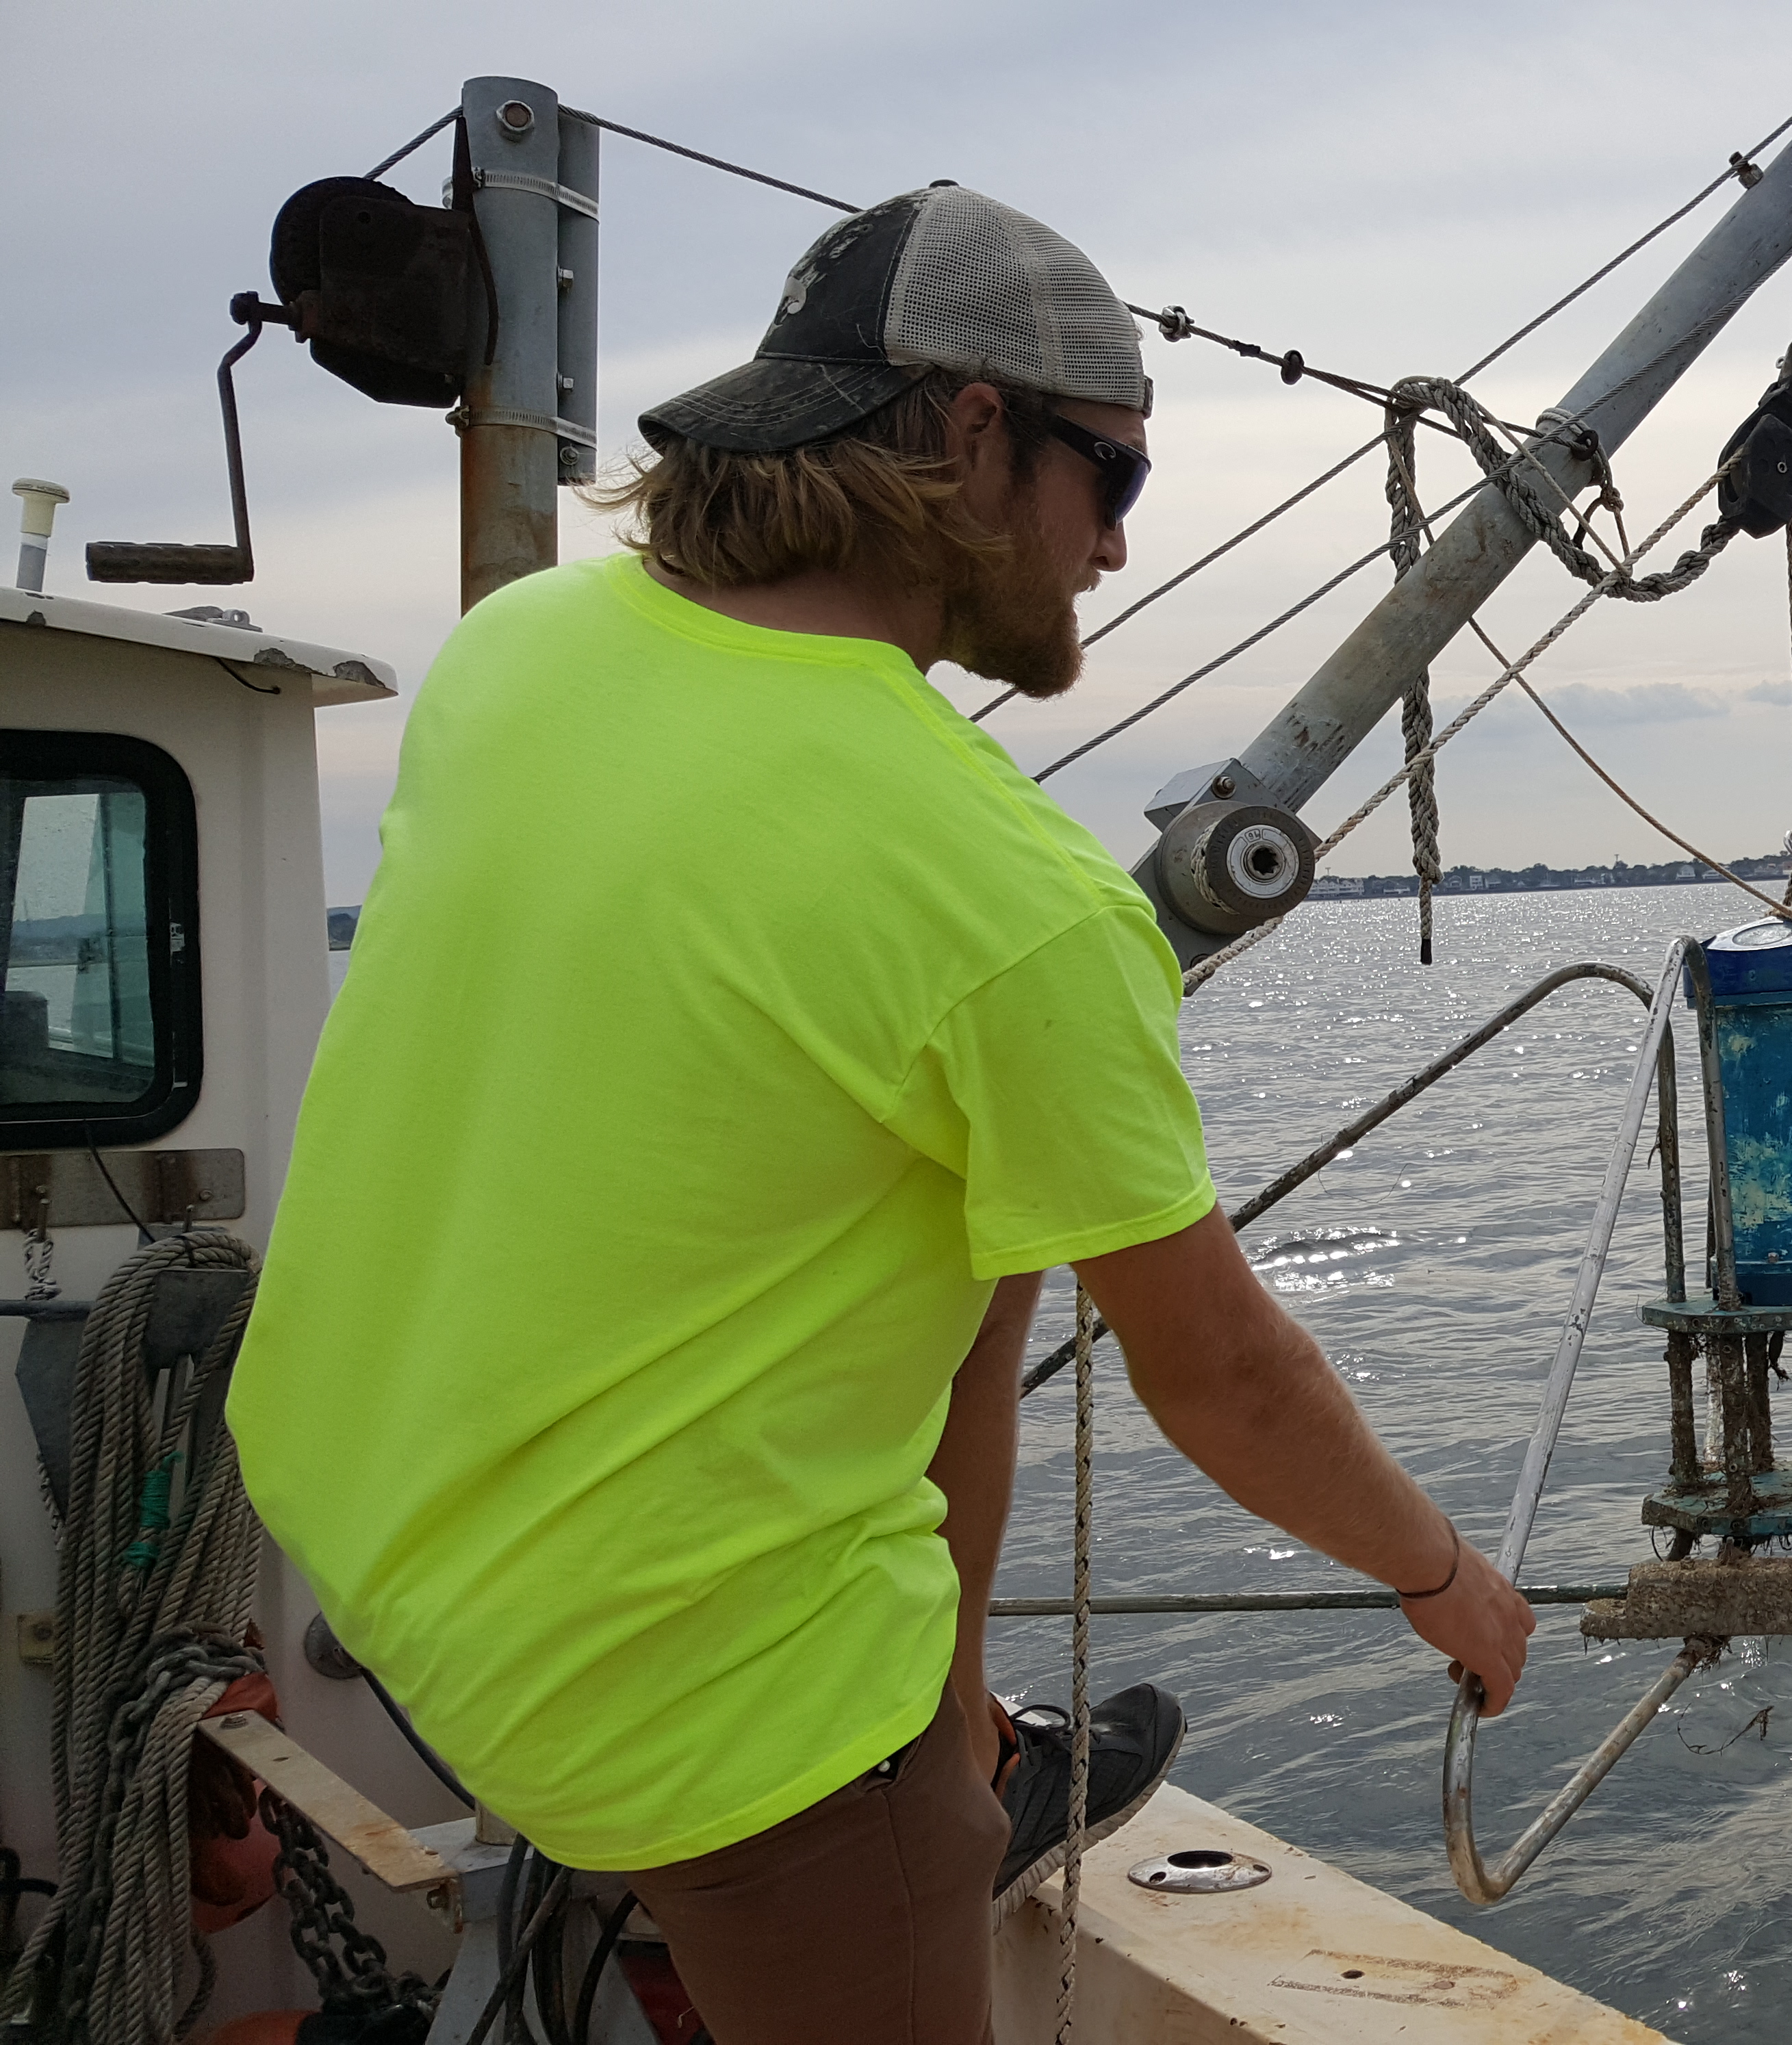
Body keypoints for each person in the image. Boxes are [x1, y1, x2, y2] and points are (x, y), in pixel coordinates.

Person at [227, 183, 1533, 2044]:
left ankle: (969, 1725)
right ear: (977, 433)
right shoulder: (1010, 901)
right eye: (1116, 480)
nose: (1117, 549)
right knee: (893, 1835)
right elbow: (1224, 1375)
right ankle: (929, 1791)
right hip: (685, 1711)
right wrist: (1448, 1576)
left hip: (385, 1564)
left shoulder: (521, 655)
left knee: (975, 1207)